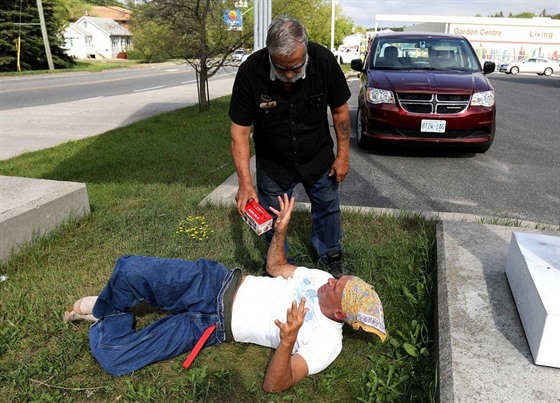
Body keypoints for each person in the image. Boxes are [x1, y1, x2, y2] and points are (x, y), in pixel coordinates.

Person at [64, 195, 386, 393]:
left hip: (211, 327)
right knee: (130, 269)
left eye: (336, 288)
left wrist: (288, 339)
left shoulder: (328, 343)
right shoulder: (320, 276)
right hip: (214, 283)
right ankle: (110, 306)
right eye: (338, 279)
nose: (330, 281)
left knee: (114, 358)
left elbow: (274, 385)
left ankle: (111, 313)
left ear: (341, 313)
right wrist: (281, 232)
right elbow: (276, 267)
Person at [228, 16, 352, 277]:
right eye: (281, 68)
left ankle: (330, 255)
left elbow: (340, 112)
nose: (288, 76)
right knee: (274, 215)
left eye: (295, 68)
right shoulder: (251, 71)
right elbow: (239, 131)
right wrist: (245, 184)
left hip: (317, 156)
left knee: (327, 207)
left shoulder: (325, 61)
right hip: (274, 162)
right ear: (270, 54)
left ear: (305, 49)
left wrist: (342, 156)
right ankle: (282, 262)